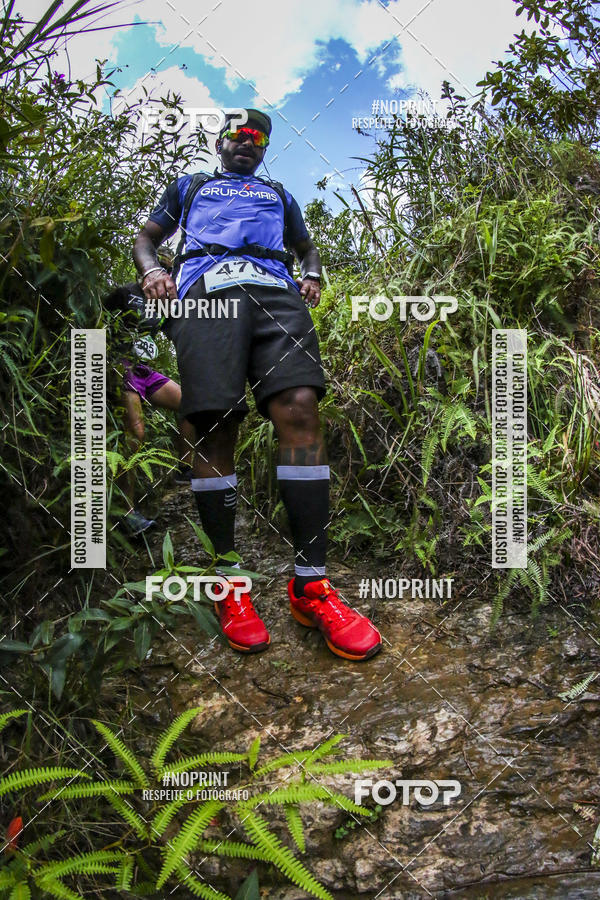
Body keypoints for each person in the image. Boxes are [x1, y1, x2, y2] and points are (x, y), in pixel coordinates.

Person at [133, 108, 381, 660]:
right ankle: (228, 582)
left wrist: (311, 273)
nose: (247, 141)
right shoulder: (191, 186)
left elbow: (306, 247)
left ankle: (311, 585)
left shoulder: (278, 194)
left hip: (276, 295)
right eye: (238, 134)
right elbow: (147, 238)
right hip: (205, 296)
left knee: (300, 407)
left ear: (264, 149)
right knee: (214, 421)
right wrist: (152, 271)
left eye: (257, 137)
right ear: (220, 142)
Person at [104, 279, 195, 536]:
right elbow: (97, 320)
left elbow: (180, 330)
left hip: (143, 370)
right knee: (136, 433)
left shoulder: (166, 304)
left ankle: (184, 469)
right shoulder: (125, 293)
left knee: (189, 403)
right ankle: (126, 512)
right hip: (120, 365)